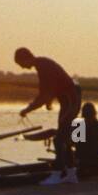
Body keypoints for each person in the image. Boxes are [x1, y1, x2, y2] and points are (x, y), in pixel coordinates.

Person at [15, 47, 81, 185]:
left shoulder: (43, 66)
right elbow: (50, 88)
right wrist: (49, 100)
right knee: (65, 138)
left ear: (26, 58)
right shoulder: (41, 64)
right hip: (67, 100)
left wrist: (28, 109)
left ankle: (57, 174)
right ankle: (71, 174)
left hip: (71, 100)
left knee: (59, 139)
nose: (21, 67)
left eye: (20, 63)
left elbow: (44, 95)